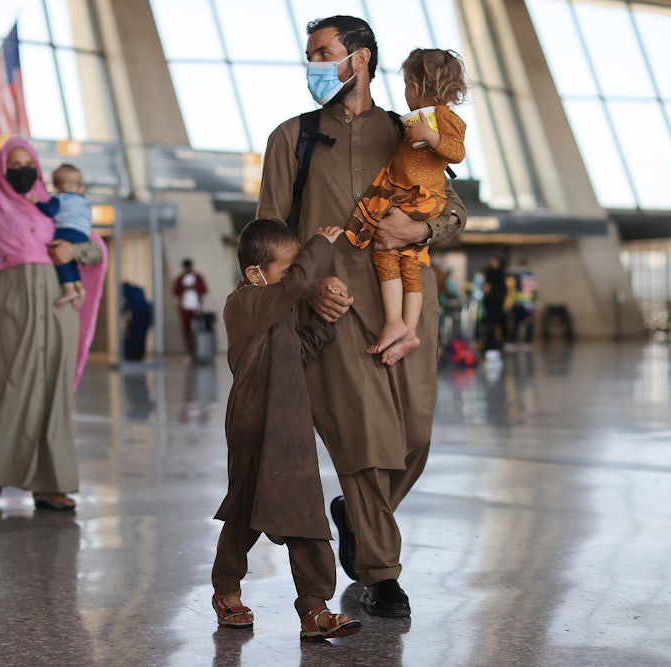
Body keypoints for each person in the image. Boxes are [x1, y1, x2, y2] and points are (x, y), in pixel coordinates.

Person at [256, 15, 467, 618]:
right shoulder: (290, 138)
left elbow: (454, 210)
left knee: (415, 439)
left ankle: (354, 514)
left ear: (362, 59)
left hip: (404, 306)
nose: (313, 66)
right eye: (309, 55)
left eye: (323, 53)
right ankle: (383, 573)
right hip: (331, 314)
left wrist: (420, 226)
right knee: (367, 444)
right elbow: (268, 233)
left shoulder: (410, 131)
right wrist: (307, 289)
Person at [211, 219, 362, 641]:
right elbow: (295, 285)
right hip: (255, 423)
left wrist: (328, 324)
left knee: (306, 516)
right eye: (287, 267)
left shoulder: (275, 313)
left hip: (291, 430)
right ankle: (226, 589)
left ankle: (315, 609)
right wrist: (320, 246)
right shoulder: (244, 303)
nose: (297, 276)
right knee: (245, 513)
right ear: (254, 273)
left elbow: (298, 350)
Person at [0, 137, 103, 512]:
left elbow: (94, 248)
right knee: (8, 388)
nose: (21, 171)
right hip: (14, 315)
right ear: (1, 169)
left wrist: (72, 250)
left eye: (26, 163)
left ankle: (52, 486)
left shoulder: (53, 209)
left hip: (59, 315)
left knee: (54, 398)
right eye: (12, 165)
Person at [344, 48, 467, 362]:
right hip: (412, 197)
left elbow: (456, 151)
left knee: (386, 253)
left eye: (408, 83)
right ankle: (406, 329)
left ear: (419, 86)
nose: (406, 91)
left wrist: (429, 135)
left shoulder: (440, 118)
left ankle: (396, 323)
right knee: (409, 263)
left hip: (420, 199)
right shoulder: (416, 121)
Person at [33, 163, 93, 309]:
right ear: (80, 187)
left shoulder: (59, 199)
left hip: (66, 231)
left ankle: (69, 290)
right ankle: (79, 287)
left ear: (56, 187)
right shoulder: (84, 201)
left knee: (60, 257)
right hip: (83, 235)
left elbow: (50, 211)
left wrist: (36, 203)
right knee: (72, 261)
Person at [172, 259, 207, 354]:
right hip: (185, 307)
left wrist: (195, 288)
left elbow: (204, 289)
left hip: (196, 307)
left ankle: (199, 348)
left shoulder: (198, 277)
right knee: (186, 329)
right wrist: (184, 289)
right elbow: (175, 291)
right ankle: (189, 350)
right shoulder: (180, 278)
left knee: (198, 328)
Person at [481, 255, 507, 362]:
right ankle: (489, 347)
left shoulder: (498, 276)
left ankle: (492, 347)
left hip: (496, 305)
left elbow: (501, 292)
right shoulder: (491, 275)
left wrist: (490, 292)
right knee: (489, 326)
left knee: (491, 326)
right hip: (490, 305)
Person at [511, 262, 538, 348]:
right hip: (518, 303)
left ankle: (528, 341)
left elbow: (534, 290)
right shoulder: (517, 276)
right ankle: (514, 341)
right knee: (516, 323)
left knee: (528, 322)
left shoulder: (530, 276)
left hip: (527, 304)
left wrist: (534, 301)